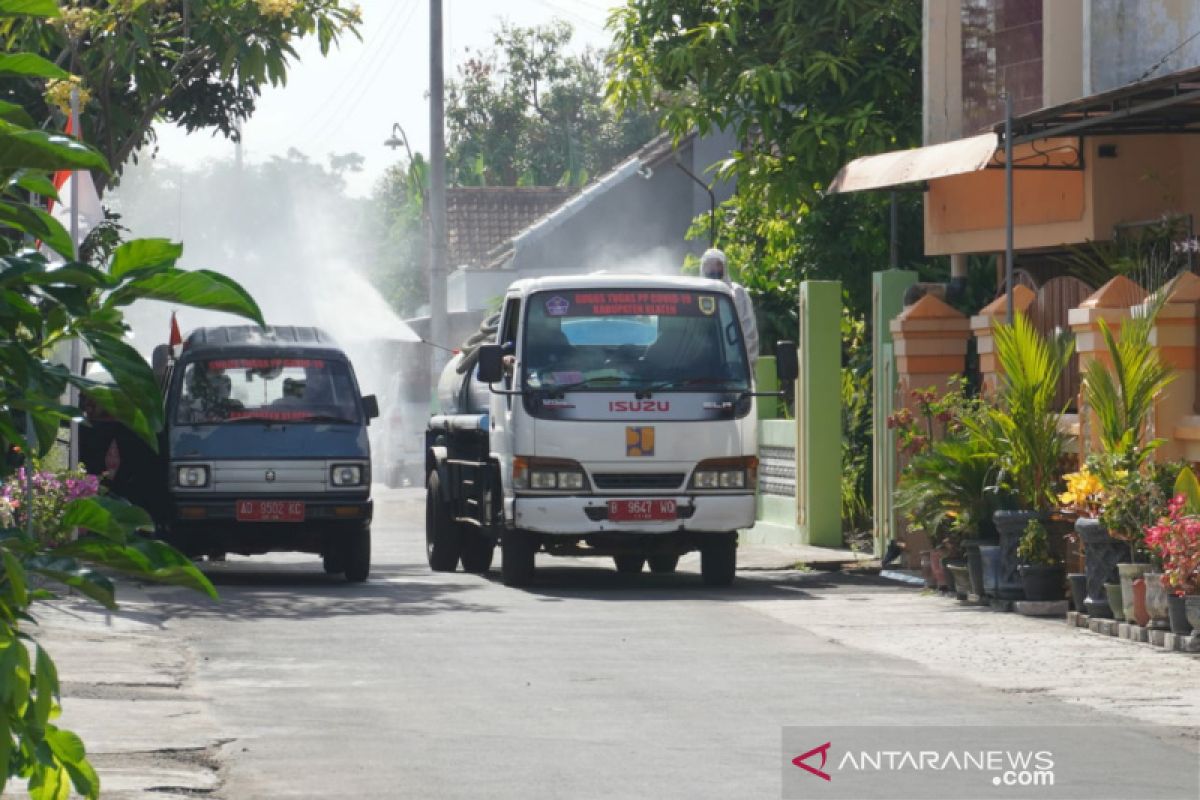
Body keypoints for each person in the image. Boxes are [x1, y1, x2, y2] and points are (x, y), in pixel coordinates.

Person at [699, 247, 759, 366]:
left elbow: (748, 331)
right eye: (709, 265)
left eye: (717, 265)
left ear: (724, 267)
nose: (713, 269)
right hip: (702, 365)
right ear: (703, 268)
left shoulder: (737, 293)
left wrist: (745, 364)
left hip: (732, 367)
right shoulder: (696, 294)